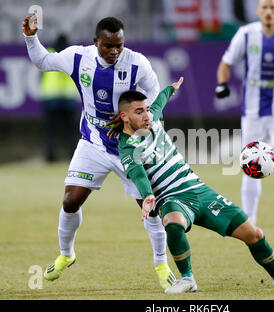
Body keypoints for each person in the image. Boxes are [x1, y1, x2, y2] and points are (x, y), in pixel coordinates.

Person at [116, 77, 274, 293]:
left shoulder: (152, 118)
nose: (146, 115)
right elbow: (138, 174)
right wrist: (147, 195)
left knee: (254, 234)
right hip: (172, 198)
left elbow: (160, 100)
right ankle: (187, 279)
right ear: (124, 117)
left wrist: (170, 89)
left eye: (146, 109)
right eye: (139, 112)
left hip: (200, 191)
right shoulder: (126, 148)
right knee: (173, 223)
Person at [22, 14, 176, 290]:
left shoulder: (137, 63)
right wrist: (31, 37)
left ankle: (161, 263)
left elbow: (155, 97)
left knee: (149, 208)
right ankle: (66, 255)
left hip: (129, 148)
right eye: (108, 46)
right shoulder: (78, 58)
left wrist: (138, 120)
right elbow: (43, 61)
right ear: (96, 43)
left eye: (119, 45)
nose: (115, 51)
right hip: (93, 141)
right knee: (70, 201)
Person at [215, 0, 274, 234]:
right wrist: (222, 84)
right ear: (257, 11)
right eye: (264, 8)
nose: (268, 12)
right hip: (253, 110)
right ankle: (250, 220)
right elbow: (226, 63)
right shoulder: (245, 34)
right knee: (251, 164)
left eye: (272, 8)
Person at [40, 34, 78, 162]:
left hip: (51, 97)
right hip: (68, 97)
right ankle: (73, 155)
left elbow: (41, 75)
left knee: (51, 130)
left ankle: (50, 156)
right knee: (71, 131)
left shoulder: (49, 53)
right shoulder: (71, 55)